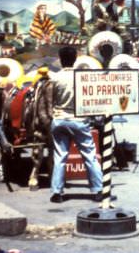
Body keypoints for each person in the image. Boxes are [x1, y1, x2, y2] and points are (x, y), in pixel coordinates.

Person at [49, 46, 103, 204]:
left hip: (59, 120)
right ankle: (98, 190)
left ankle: (57, 192)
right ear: (75, 59)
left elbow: (51, 100)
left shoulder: (55, 78)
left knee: (60, 157)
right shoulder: (82, 77)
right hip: (79, 121)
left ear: (60, 59)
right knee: (89, 155)